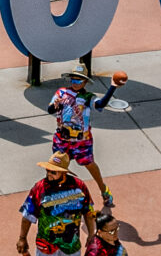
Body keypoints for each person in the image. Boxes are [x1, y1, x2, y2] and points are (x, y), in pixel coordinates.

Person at [19, 150, 99, 256]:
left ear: (63, 172)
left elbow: (88, 212)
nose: (49, 174)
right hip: (47, 245)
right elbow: (27, 215)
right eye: (48, 170)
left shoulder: (79, 186)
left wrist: (91, 234)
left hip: (71, 244)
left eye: (53, 172)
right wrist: (22, 238)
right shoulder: (40, 188)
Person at [50, 69, 127, 204]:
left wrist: (113, 87)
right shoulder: (61, 92)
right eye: (73, 80)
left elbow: (100, 104)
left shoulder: (88, 97)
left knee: (90, 165)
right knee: (58, 167)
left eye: (79, 81)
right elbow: (50, 109)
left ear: (85, 82)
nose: (75, 83)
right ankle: (60, 194)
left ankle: (103, 189)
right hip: (62, 138)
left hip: (82, 140)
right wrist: (55, 105)